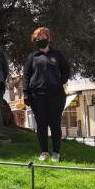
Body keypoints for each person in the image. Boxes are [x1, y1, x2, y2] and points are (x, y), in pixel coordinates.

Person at [23, 27, 69, 162]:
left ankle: (56, 152)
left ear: (48, 38)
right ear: (34, 41)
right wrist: (26, 94)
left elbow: (66, 70)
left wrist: (59, 81)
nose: (41, 40)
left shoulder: (57, 55)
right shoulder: (32, 57)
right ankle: (44, 152)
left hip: (56, 95)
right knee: (41, 125)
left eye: (43, 37)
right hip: (37, 96)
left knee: (55, 124)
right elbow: (26, 76)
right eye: (37, 38)